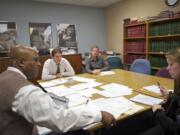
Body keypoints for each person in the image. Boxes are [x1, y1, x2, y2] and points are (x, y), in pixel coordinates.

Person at [0, 45, 116, 135]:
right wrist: (99, 115)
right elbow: (61, 120)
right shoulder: (25, 91)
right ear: (21, 62)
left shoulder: (4, 75)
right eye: (35, 60)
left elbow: (72, 73)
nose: (39, 64)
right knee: (80, 130)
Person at [140, 48, 180, 135]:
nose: (167, 68)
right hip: (169, 118)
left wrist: (158, 112)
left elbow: (175, 130)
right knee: (145, 116)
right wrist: (169, 94)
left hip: (171, 129)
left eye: (171, 64)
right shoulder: (178, 80)